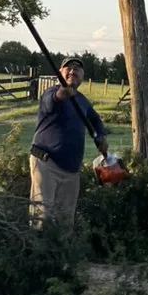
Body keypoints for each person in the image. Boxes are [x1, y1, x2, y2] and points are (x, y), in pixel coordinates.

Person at [29, 57, 108, 228]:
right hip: (46, 163)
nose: (72, 71)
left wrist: (101, 136)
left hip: (72, 171)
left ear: (82, 76)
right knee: (41, 216)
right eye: (68, 68)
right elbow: (51, 103)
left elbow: (95, 120)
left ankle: (62, 254)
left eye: (77, 69)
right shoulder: (50, 93)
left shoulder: (82, 100)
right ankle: (36, 252)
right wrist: (62, 94)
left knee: (65, 221)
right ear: (60, 73)